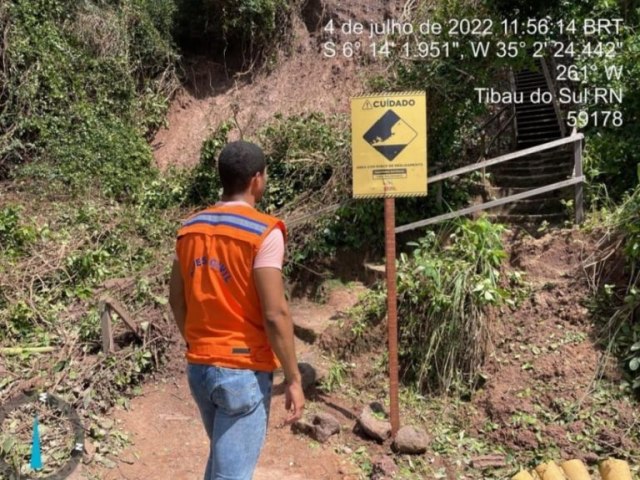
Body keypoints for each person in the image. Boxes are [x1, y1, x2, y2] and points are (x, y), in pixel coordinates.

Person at [168, 140, 304, 480]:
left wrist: (199, 343)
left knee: (222, 463)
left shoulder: (189, 230)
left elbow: (176, 299)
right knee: (231, 473)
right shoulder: (264, 233)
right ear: (256, 179)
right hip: (242, 371)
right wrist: (293, 377)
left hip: (200, 368)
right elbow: (275, 314)